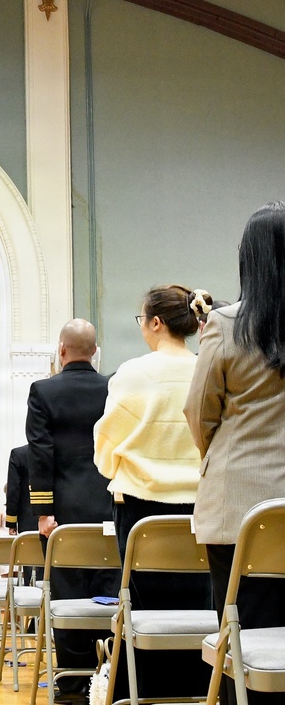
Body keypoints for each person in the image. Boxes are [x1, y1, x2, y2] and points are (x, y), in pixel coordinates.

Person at [185, 202, 285, 705]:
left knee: (237, 637)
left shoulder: (225, 325)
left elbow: (198, 411)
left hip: (236, 506)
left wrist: (218, 453)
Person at [94, 285, 213, 698]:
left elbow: (106, 445)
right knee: (200, 604)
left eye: (142, 320)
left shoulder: (132, 373)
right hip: (201, 505)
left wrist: (120, 468)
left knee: (143, 607)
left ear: (156, 322)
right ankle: (198, 691)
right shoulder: (207, 368)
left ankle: (144, 691)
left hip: (140, 507)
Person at [26, 318, 116, 701]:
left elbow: (40, 453)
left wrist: (43, 511)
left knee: (67, 598)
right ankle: (106, 678)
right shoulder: (113, 387)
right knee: (110, 595)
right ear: (95, 352)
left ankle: (72, 684)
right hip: (110, 507)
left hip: (63, 511)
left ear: (61, 350)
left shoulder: (43, 391)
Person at [5, 445, 36, 535]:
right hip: (58, 521)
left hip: (28, 521)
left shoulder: (18, 454)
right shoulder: (59, 452)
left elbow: (13, 491)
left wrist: (11, 523)